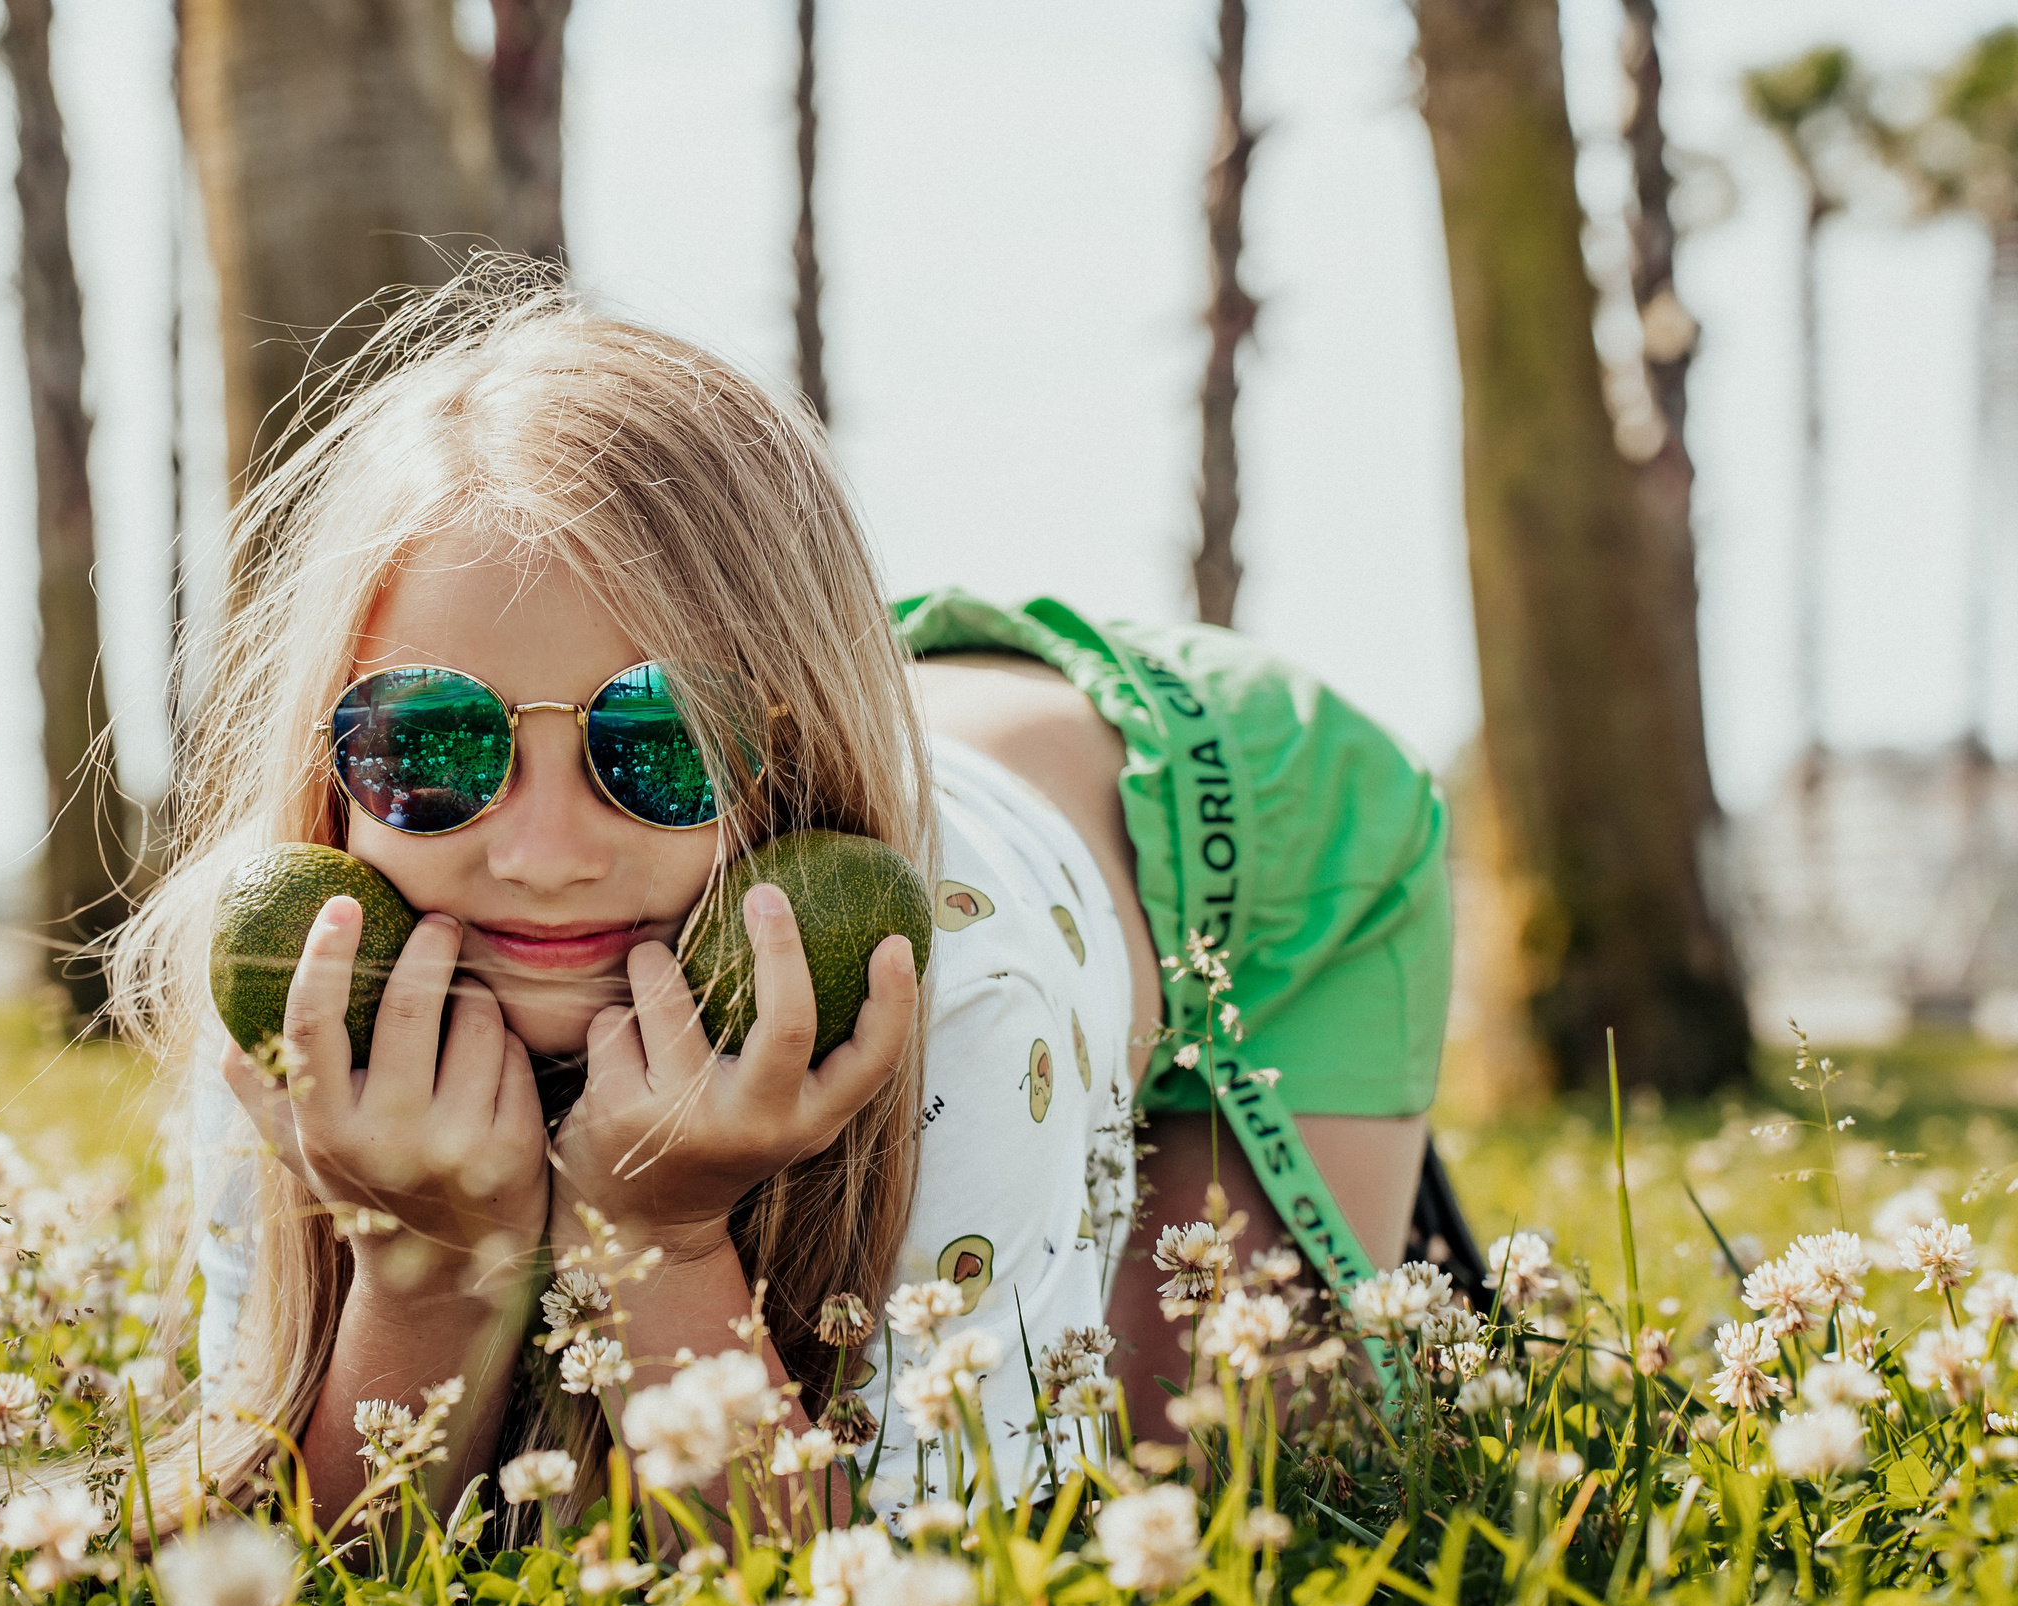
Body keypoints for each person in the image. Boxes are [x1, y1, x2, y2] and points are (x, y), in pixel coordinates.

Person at [111, 269, 1451, 1527]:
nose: (547, 852)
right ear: (324, 771)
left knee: (1221, 1473)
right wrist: (422, 1262)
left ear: (790, 747)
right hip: (962, 739)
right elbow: (316, 1580)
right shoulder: (297, 988)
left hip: (1263, 845)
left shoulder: (967, 994)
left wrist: (664, 1233)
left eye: (663, 737)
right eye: (432, 743)